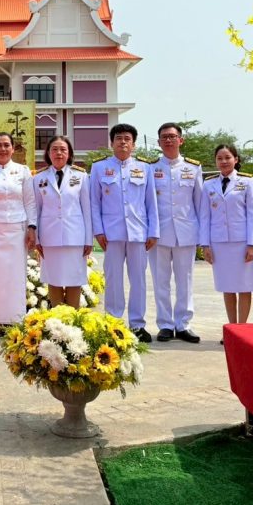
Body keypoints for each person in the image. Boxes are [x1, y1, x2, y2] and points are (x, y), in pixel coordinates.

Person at [89, 123, 159, 342]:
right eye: (118, 138)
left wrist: (153, 231)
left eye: (127, 139)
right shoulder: (99, 168)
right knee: (113, 279)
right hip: (111, 234)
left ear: (134, 144)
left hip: (138, 232)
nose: (123, 142)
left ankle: (137, 324)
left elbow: (151, 202)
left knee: (139, 280)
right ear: (111, 143)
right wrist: (98, 230)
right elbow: (94, 203)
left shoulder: (144, 168)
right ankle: (113, 322)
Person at [0, 132, 37, 337]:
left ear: (13, 148)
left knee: (15, 276)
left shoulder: (23, 171)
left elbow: (30, 201)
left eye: (6, 145)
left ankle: (16, 319)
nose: (3, 149)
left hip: (17, 229)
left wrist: (32, 227)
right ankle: (1, 322)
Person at [148, 123, 203, 343]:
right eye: (164, 137)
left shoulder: (193, 168)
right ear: (159, 142)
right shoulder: (150, 168)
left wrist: (202, 236)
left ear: (181, 140)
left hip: (186, 232)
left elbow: (200, 204)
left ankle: (183, 324)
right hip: (158, 233)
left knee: (185, 281)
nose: (169, 140)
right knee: (160, 281)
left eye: (172, 136)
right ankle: (165, 324)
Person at [199, 144, 253, 338]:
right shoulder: (208, 184)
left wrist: (252, 244)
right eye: (220, 158)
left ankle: (242, 329)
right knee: (227, 286)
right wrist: (205, 245)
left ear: (236, 159)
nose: (224, 161)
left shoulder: (247, 182)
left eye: (227, 157)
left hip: (242, 242)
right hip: (219, 243)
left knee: (244, 286)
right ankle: (232, 329)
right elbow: (205, 216)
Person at [33, 135, 92, 307]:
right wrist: (37, 238)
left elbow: (87, 210)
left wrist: (88, 240)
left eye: (63, 149)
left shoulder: (81, 176)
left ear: (69, 153)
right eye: (54, 149)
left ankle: (72, 318)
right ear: (48, 153)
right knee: (53, 279)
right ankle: (57, 319)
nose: (59, 153)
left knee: (75, 279)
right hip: (49, 237)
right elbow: (36, 210)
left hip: (75, 237)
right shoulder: (39, 178)